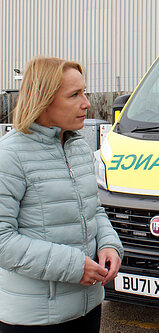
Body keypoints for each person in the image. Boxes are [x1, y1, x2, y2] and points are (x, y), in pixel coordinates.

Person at [0, 57, 123, 332]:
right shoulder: (9, 156)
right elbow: (2, 240)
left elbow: (94, 210)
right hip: (33, 320)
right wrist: (73, 266)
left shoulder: (78, 148)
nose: (87, 103)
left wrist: (109, 245)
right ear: (44, 100)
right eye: (74, 95)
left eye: (84, 92)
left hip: (87, 309)